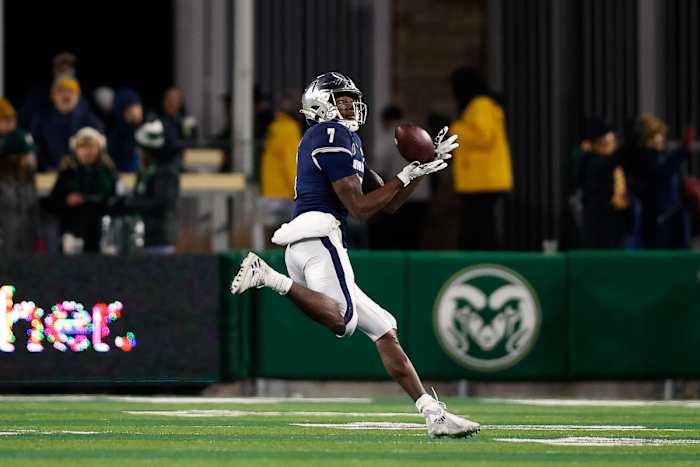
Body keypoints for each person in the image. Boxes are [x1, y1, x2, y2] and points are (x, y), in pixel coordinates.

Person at [230, 72, 479, 438]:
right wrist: (406, 173)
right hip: (320, 237)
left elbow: (389, 204)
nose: (350, 104)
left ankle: (433, 414)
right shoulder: (333, 134)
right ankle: (267, 276)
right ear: (321, 103)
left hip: (307, 242)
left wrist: (419, 170)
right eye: (341, 98)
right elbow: (361, 209)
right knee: (343, 320)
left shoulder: (341, 138)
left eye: (351, 98)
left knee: (384, 330)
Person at [449, 66, 513, 250]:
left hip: (483, 180)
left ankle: (484, 263)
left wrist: (455, 128)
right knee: (479, 228)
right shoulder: (479, 104)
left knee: (479, 229)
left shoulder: (480, 104)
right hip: (481, 179)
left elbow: (483, 137)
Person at [109, 119, 180, 254]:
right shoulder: (145, 172)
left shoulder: (166, 172)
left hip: (159, 239)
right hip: (142, 238)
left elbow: (160, 202)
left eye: (140, 149)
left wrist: (129, 202)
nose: (137, 152)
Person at [48, 127, 118, 253]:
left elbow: (117, 201)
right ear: (76, 150)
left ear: (99, 150)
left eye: (91, 147)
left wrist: (104, 202)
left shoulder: (108, 173)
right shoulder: (67, 173)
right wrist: (66, 201)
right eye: (82, 148)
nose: (87, 152)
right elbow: (52, 203)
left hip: (101, 234)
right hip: (73, 233)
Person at [372, 105, 431, 249]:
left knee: (394, 241)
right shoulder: (419, 134)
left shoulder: (388, 137)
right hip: (421, 197)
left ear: (385, 120)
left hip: (399, 198)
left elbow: (379, 172)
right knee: (414, 241)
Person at [577, 118, 630, 248]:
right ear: (598, 141)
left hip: (615, 220)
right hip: (600, 224)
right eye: (610, 140)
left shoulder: (611, 163)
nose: (613, 143)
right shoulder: (591, 161)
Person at [258, 90, 303, 245]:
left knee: (270, 244)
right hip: (285, 196)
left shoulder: (274, 127)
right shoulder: (290, 130)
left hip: (269, 194)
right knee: (292, 246)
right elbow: (291, 163)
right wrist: (299, 190)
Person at [30, 77, 102, 171]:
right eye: (61, 91)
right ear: (52, 96)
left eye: (71, 91)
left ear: (78, 96)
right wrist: (47, 168)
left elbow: (99, 150)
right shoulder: (41, 120)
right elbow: (36, 149)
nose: (66, 95)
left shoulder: (91, 121)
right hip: (50, 173)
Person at [0, 129, 41, 254]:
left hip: (26, 243)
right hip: (5, 245)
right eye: (27, 154)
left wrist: (38, 238)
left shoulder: (29, 176)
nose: (30, 157)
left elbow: (33, 210)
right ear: (14, 156)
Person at [107, 88, 144, 172]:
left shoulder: (145, 132)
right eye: (132, 107)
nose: (138, 111)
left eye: (139, 106)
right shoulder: (115, 139)